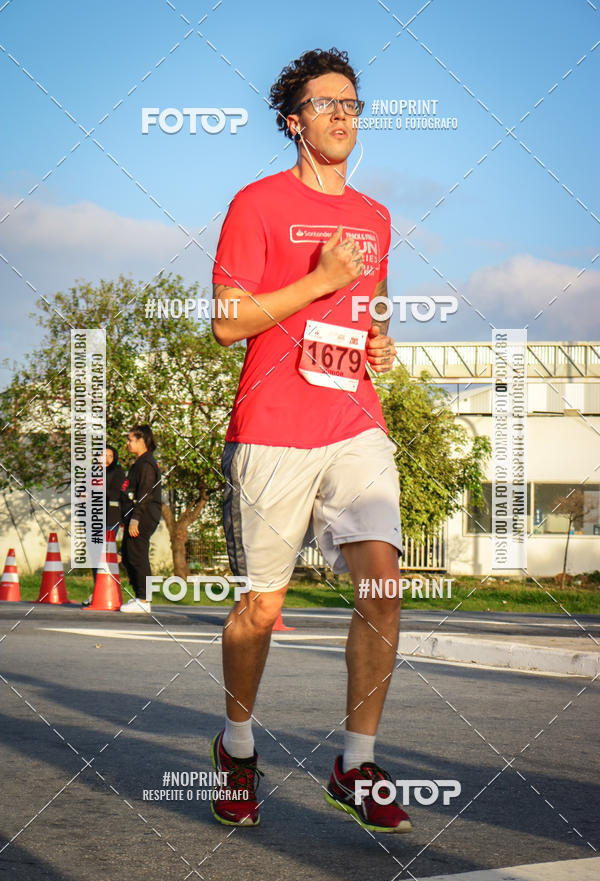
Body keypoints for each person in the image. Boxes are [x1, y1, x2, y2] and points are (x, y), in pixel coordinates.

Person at [209, 48, 411, 833]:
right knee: (261, 607)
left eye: (352, 104)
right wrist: (318, 280)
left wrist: (379, 343)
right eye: (326, 104)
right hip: (274, 429)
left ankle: (355, 764)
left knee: (384, 585)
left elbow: (374, 308)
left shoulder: (375, 216)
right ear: (293, 121)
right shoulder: (256, 204)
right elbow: (229, 322)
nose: (342, 116)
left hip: (353, 422)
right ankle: (235, 746)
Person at [120, 424, 162, 614]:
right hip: (134, 514)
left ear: (142, 441)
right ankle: (139, 596)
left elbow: (145, 493)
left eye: (131, 440)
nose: (127, 443)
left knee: (138, 555)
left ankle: (144, 600)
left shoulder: (146, 465)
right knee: (129, 555)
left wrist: (136, 518)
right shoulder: (139, 463)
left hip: (143, 515)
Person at [83, 445, 126, 607]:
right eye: (103, 455)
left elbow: (116, 493)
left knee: (105, 553)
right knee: (95, 556)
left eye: (110, 455)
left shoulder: (118, 472)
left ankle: (111, 590)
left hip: (111, 517)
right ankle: (97, 591)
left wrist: (97, 490)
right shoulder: (91, 472)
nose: (106, 459)